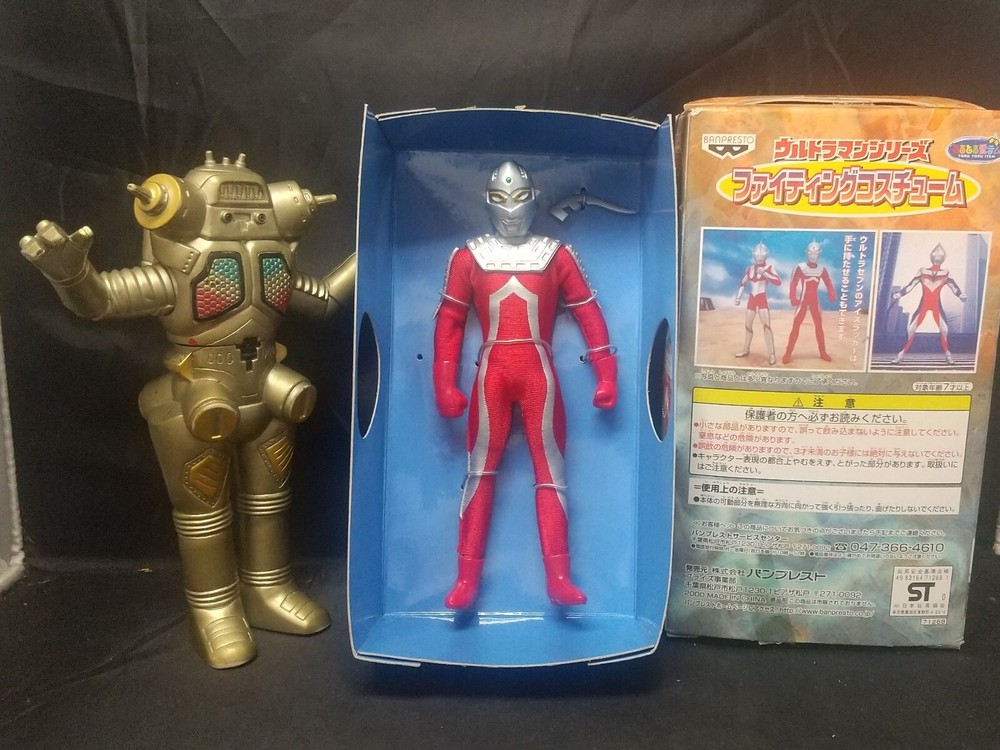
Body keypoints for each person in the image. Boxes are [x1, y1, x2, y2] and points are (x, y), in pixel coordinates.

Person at [432, 161, 617, 610]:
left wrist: (607, 373)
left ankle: (559, 577)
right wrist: (444, 383)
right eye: (501, 199)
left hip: (538, 374)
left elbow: (588, 311)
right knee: (479, 472)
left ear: (533, 200)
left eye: (518, 198)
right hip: (493, 373)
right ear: (488, 202)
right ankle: (466, 577)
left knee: (551, 476)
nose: (511, 210)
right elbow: (450, 319)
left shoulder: (555, 255)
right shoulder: (469, 256)